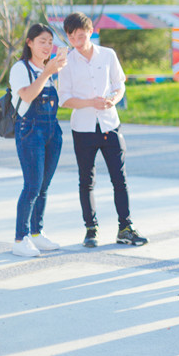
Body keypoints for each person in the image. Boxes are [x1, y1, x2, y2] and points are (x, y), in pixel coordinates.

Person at [59, 13, 147, 249]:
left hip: (110, 124)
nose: (76, 39)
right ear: (67, 37)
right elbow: (64, 99)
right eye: (71, 36)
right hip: (83, 128)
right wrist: (91, 103)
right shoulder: (66, 62)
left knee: (120, 179)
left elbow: (120, 84)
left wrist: (112, 100)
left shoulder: (108, 55)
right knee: (86, 180)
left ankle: (125, 228)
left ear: (89, 31)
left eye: (80, 34)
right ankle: (91, 229)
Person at [10, 24, 67, 257]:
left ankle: (36, 234)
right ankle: (19, 238)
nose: (47, 46)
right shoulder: (20, 68)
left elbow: (61, 99)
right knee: (32, 186)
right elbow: (27, 95)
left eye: (50, 42)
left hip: (52, 131)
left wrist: (58, 72)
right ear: (29, 43)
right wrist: (47, 73)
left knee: (43, 186)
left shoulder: (50, 70)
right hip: (30, 130)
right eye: (42, 41)